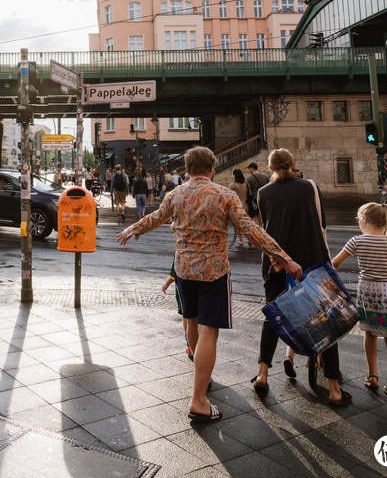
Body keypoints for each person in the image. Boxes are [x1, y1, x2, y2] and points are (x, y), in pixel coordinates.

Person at [117, 146, 302, 423]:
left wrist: (133, 229)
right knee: (208, 332)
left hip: (183, 270)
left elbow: (156, 218)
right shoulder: (224, 195)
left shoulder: (175, 194)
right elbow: (251, 230)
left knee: (191, 323)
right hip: (213, 272)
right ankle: (198, 400)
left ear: (188, 169)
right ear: (212, 168)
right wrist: (284, 258)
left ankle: (201, 378)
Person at [252, 149, 350, 406]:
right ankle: (334, 388)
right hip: (312, 261)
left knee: (273, 316)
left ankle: (262, 374)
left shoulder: (263, 193)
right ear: (294, 165)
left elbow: (266, 228)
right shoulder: (310, 187)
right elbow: (321, 224)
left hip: (277, 263)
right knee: (325, 317)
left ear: (269, 168)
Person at [331, 202, 387, 403]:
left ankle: (372, 376)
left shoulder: (356, 241)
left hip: (368, 291)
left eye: (359, 218)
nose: (358, 221)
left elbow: (334, 263)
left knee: (370, 333)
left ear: (365, 219)